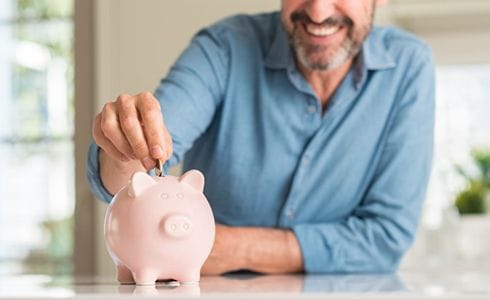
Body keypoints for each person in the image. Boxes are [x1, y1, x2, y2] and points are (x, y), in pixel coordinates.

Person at [87, 0, 435, 274]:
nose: (318, 11)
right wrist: (124, 147)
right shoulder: (224, 47)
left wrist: (231, 247)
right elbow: (131, 176)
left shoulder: (408, 66)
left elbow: (385, 240)